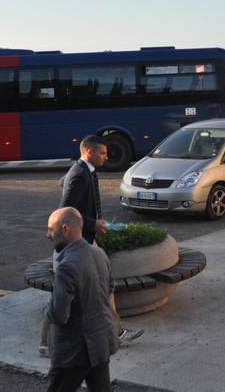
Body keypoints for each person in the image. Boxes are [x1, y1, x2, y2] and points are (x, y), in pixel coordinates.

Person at [58, 136, 143, 346]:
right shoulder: (79, 175)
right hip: (80, 242)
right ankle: (47, 341)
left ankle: (118, 333)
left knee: (104, 286)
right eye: (103, 153)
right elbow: (65, 209)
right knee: (95, 288)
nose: (107, 157)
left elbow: (63, 183)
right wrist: (92, 223)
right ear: (89, 153)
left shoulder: (83, 170)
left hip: (87, 240)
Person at [43, 207, 119, 392]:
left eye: (51, 229)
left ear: (66, 229)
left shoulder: (67, 266)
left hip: (74, 351)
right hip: (100, 343)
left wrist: (45, 309)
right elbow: (109, 289)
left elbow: (59, 315)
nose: (48, 235)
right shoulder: (99, 254)